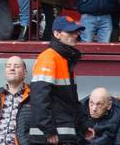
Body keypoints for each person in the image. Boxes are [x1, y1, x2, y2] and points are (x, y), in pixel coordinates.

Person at [29, 16, 86, 145]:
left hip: (60, 133)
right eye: (70, 32)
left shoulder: (64, 59)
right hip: (52, 136)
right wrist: (48, 129)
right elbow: (39, 98)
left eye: (76, 31)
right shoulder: (49, 57)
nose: (76, 35)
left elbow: (70, 102)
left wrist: (83, 126)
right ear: (56, 34)